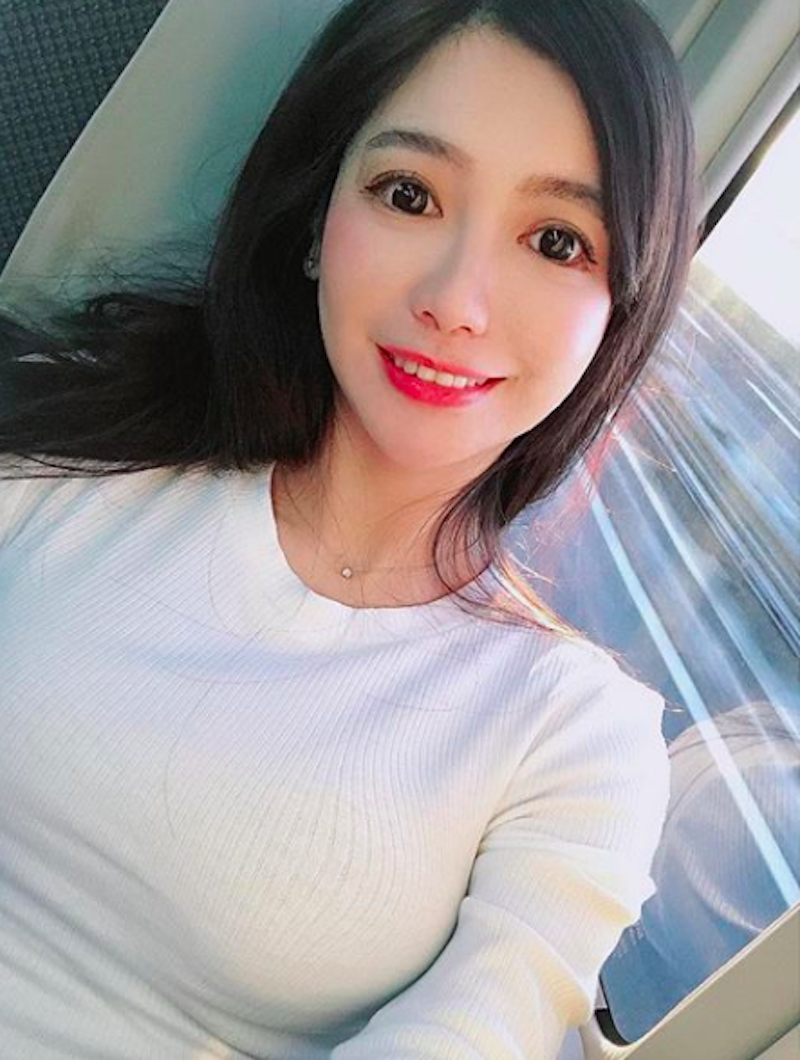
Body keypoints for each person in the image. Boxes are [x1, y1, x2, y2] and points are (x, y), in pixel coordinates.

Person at [0, 0, 697, 1056]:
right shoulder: (69, 445)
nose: (456, 301)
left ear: (619, 312)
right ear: (316, 221)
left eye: (556, 241)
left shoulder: (572, 740)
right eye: (408, 194)